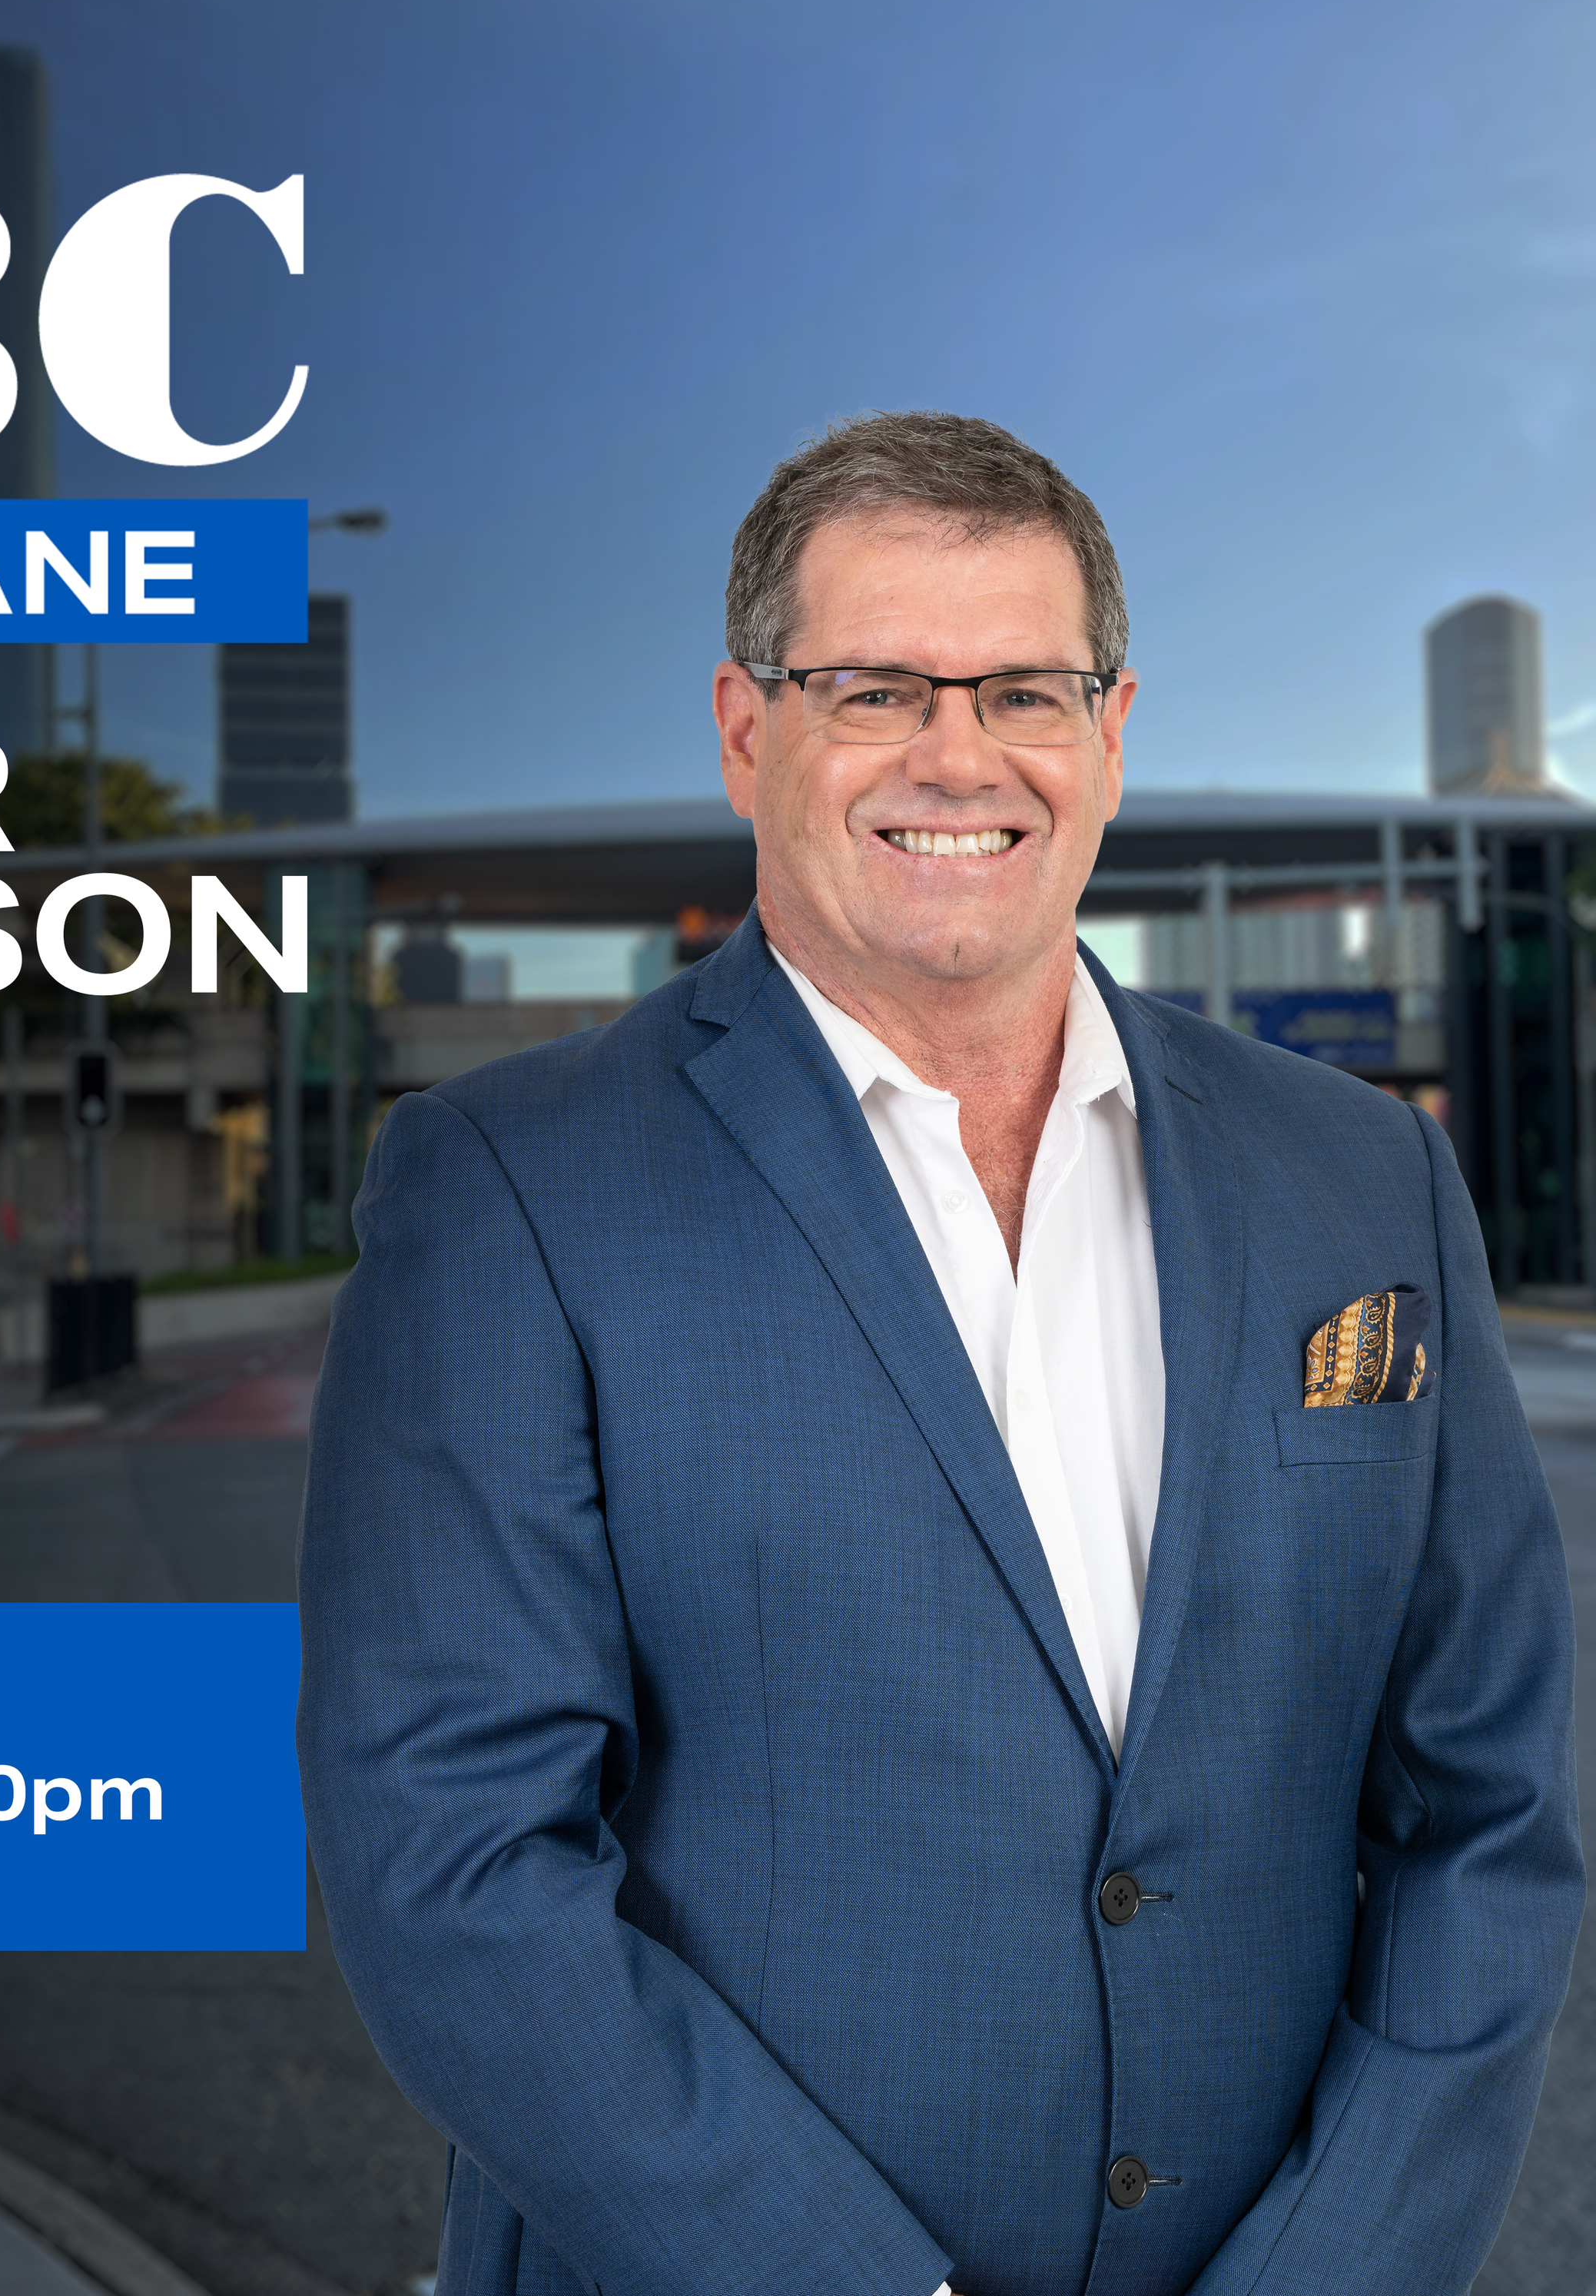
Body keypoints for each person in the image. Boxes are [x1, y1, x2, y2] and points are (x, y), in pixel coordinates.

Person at [297, 411, 1582, 2296]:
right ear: (750, 735)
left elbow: (1490, 1808)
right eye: (877, 687)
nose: (958, 757)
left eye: (1027, 693)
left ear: (1113, 733)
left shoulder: (1367, 1177)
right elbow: (452, 1870)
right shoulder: (509, 1186)